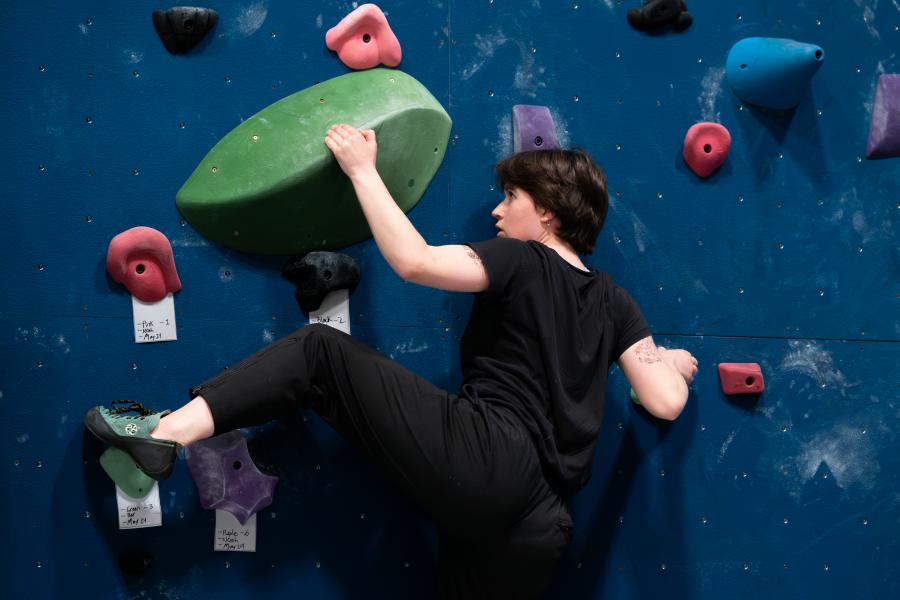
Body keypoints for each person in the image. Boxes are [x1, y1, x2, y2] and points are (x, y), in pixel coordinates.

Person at [85, 124, 697, 598]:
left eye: (511, 197)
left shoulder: (522, 257)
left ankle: (162, 436)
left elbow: (414, 262)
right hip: (543, 523)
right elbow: (666, 400)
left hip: (486, 460)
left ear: (548, 213)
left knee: (321, 351)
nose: (497, 211)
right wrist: (671, 361)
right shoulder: (617, 301)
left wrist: (361, 170)